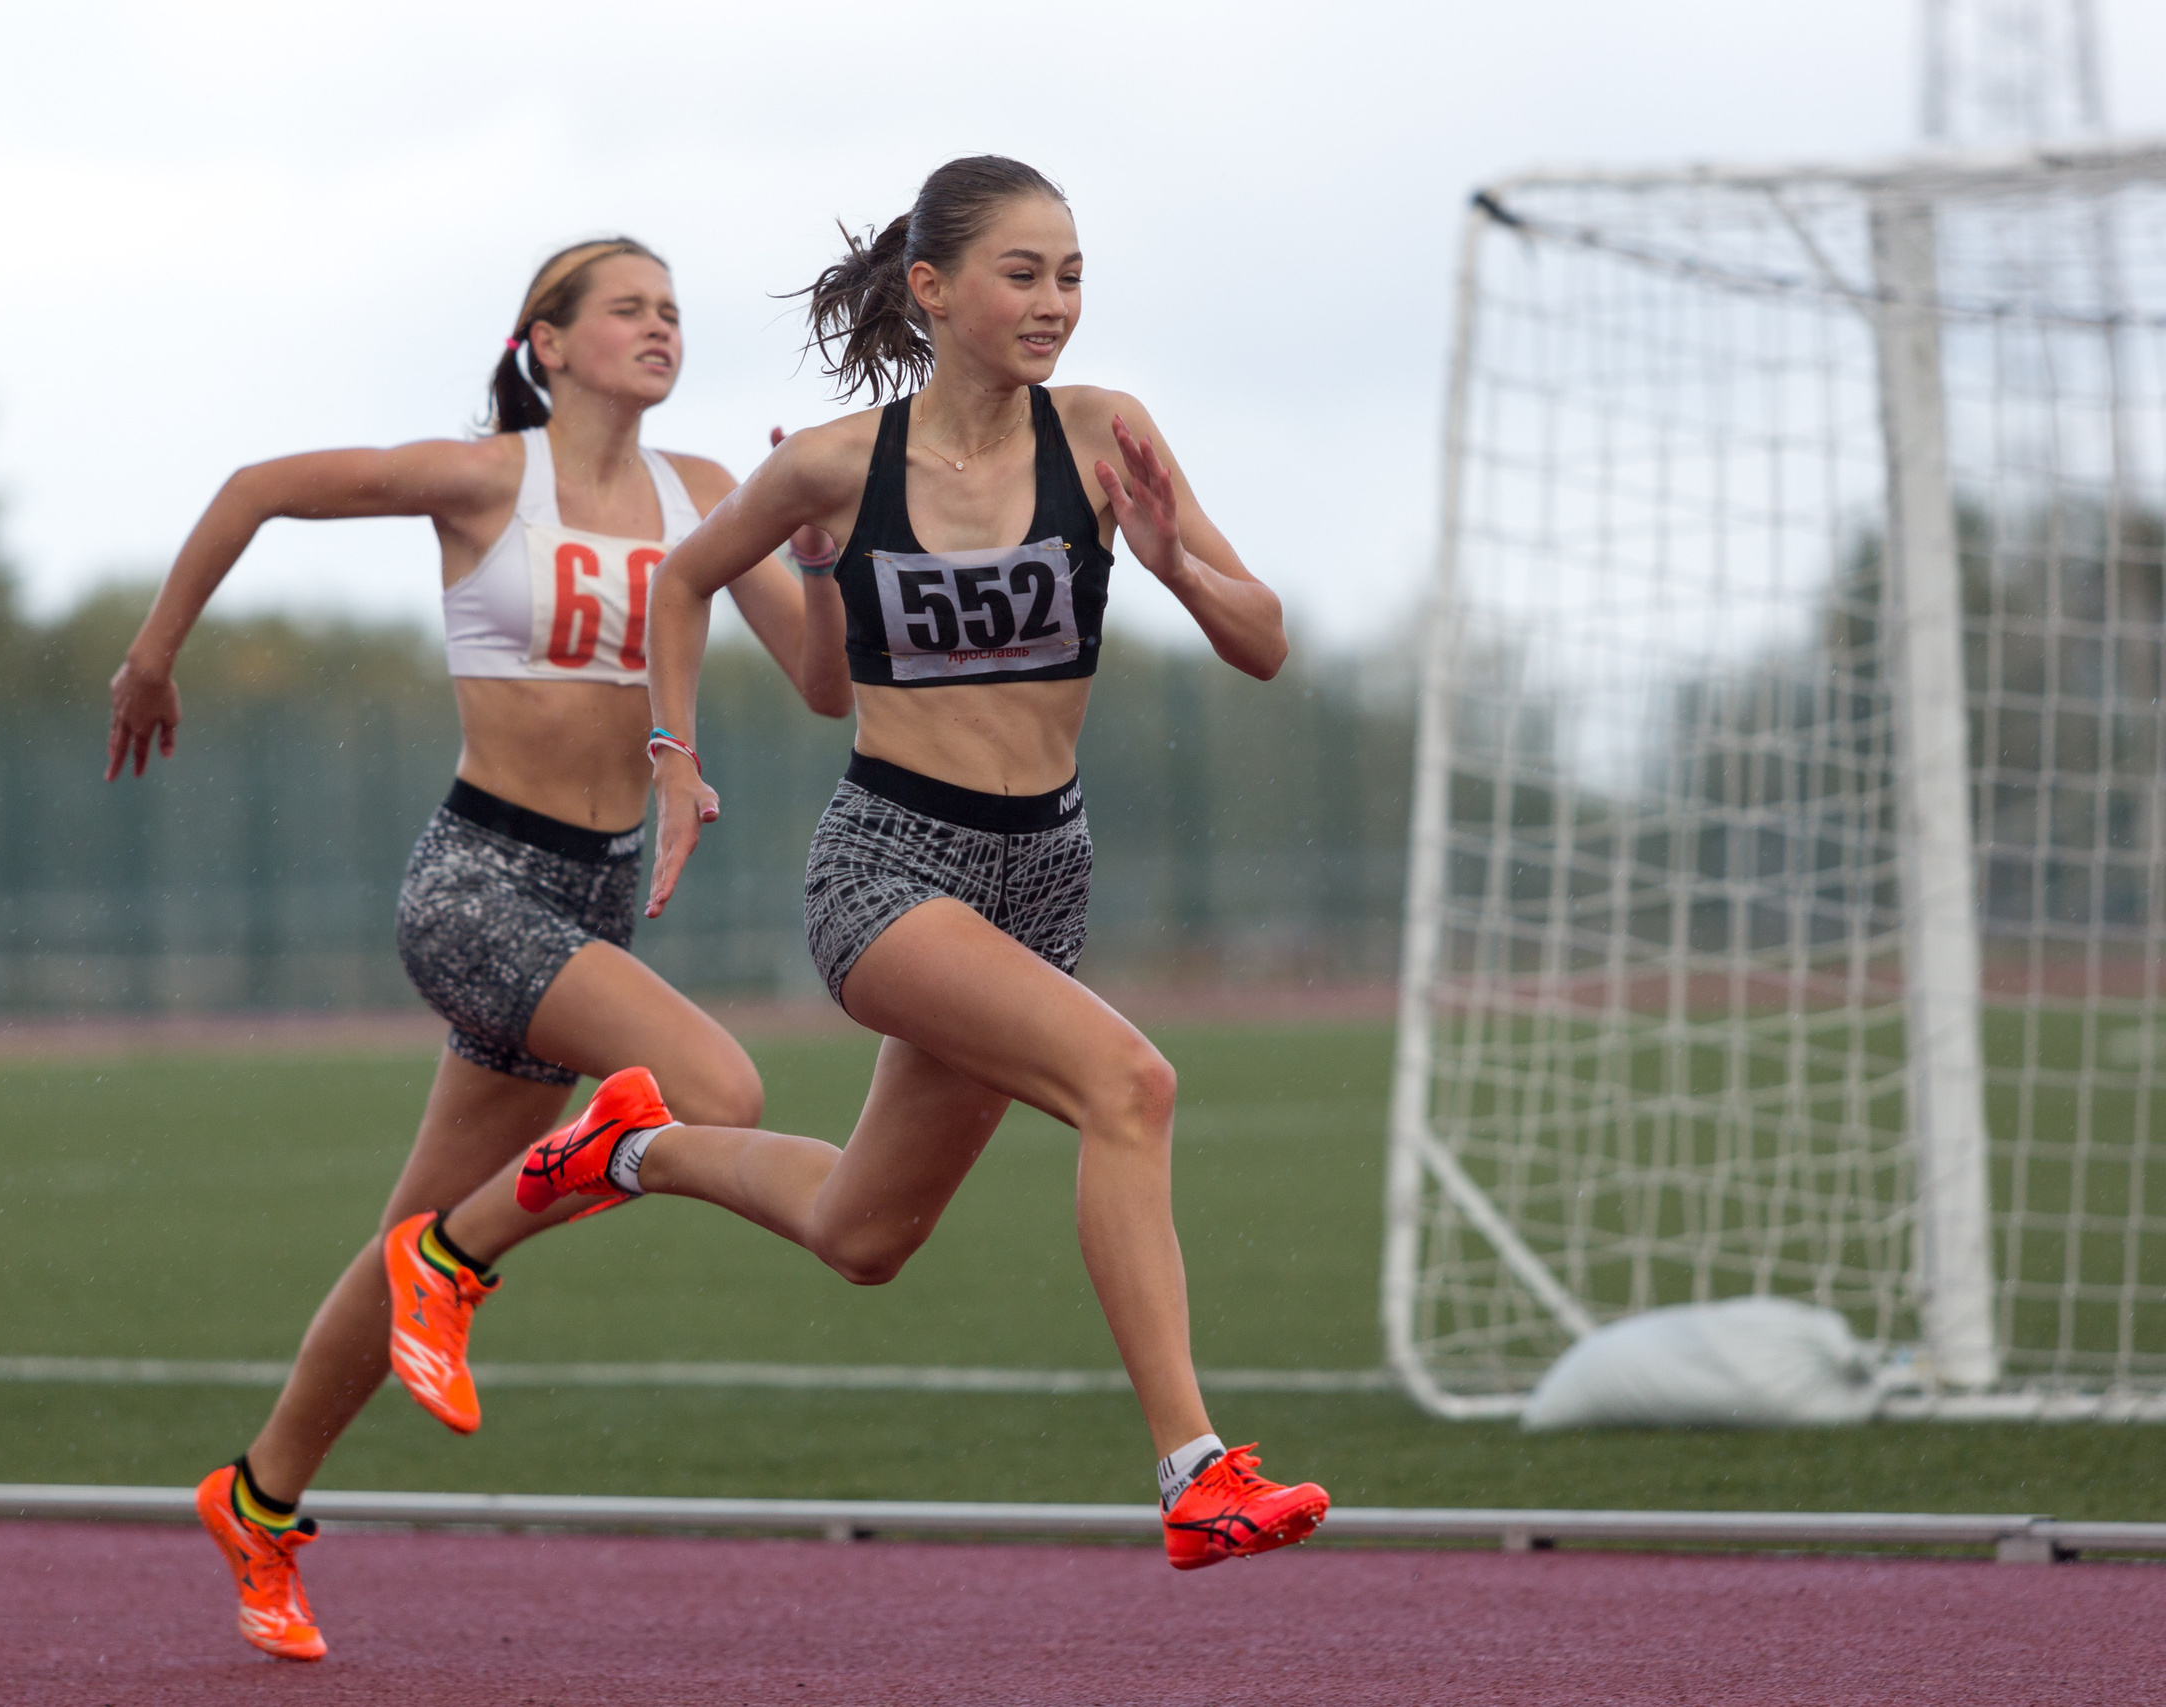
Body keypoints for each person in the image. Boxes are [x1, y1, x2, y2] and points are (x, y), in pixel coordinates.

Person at [420, 158, 1326, 1572]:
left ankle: (629, 1148)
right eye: (1022, 274)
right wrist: (674, 755)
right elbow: (684, 579)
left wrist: (1172, 566)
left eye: (1071, 275)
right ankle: (1194, 1470)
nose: (1054, 304)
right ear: (933, 289)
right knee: (1129, 1086)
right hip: (891, 871)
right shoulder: (838, 464)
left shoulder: (1105, 436)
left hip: (1044, 879)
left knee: (864, 1233)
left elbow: (1264, 641)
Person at [104, 237, 850, 1661]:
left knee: (397, 1239)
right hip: (477, 880)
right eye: (626, 308)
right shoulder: (483, 478)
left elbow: (822, 684)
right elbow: (257, 489)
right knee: (718, 1089)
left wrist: (813, 555)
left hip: (599, 894)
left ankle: (258, 1502)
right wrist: (154, 653)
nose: (659, 327)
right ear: (547, 343)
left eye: (673, 311)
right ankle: (461, 1262)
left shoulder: (705, 495)